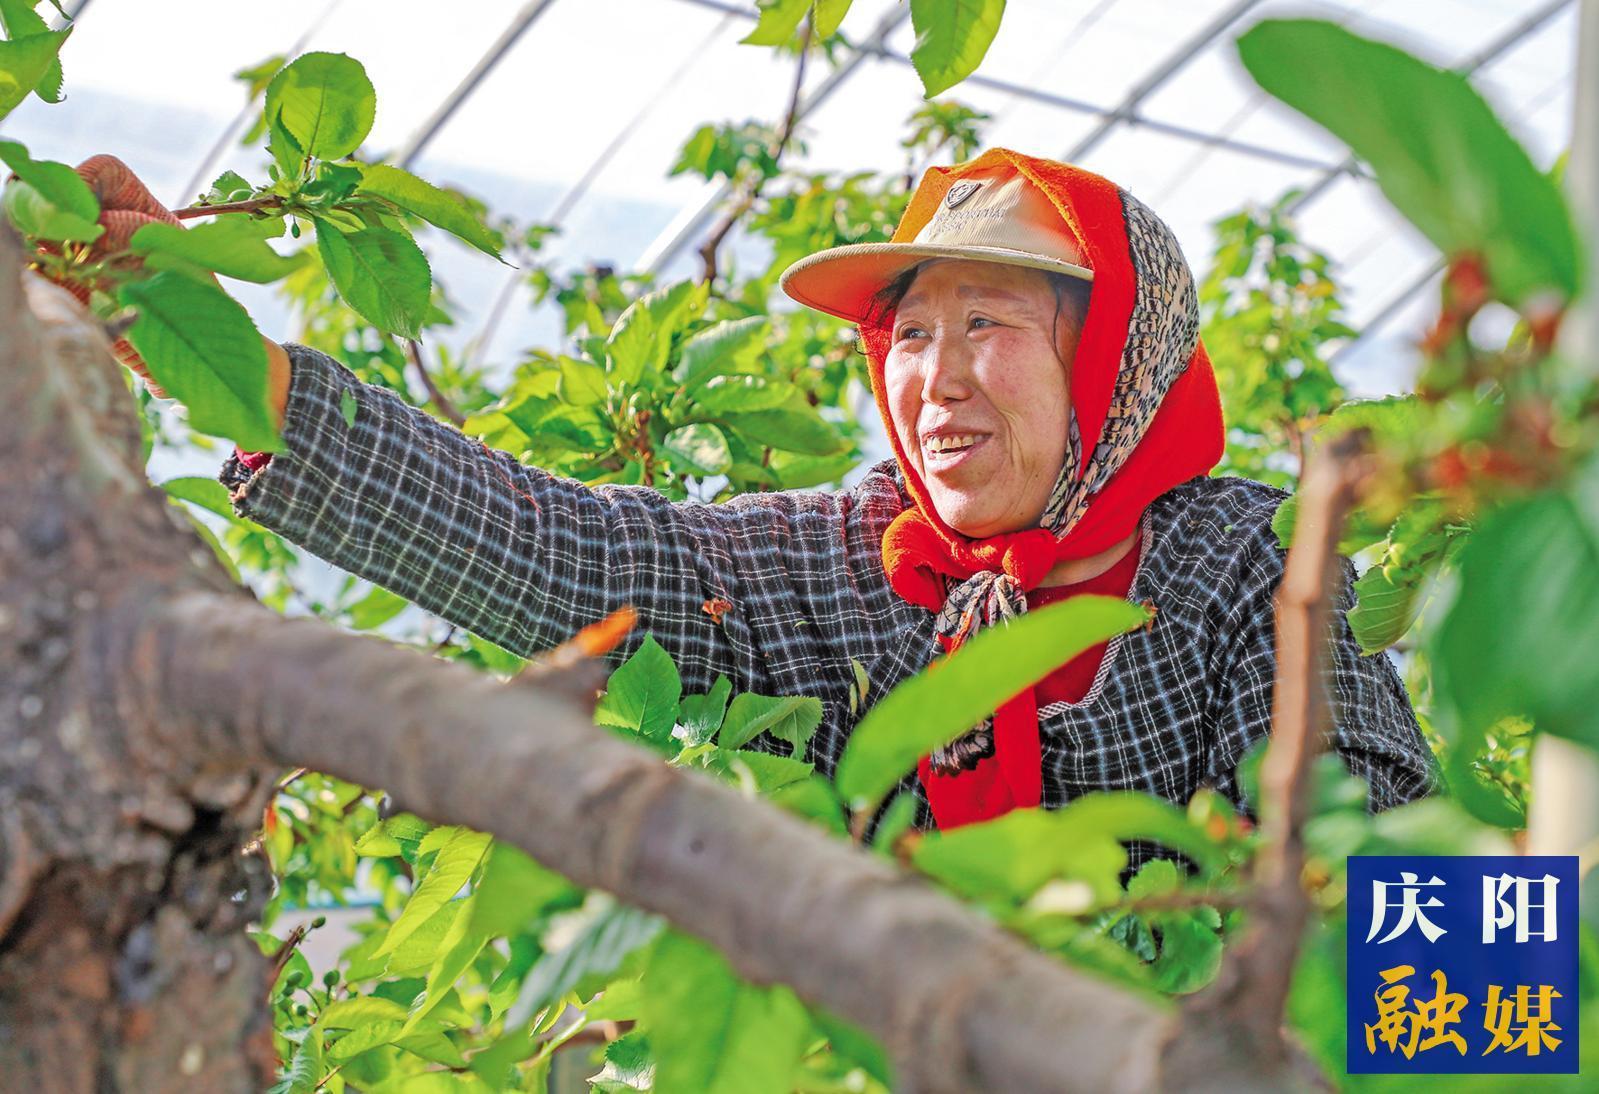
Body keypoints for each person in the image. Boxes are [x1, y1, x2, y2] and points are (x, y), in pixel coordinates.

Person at [57, 148, 1436, 838]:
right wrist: (223, 367)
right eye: (908, 332)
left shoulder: (1246, 561)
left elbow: (1377, 844)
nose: (937, 375)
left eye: (990, 323)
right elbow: (559, 547)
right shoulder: (845, 560)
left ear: (1116, 357)